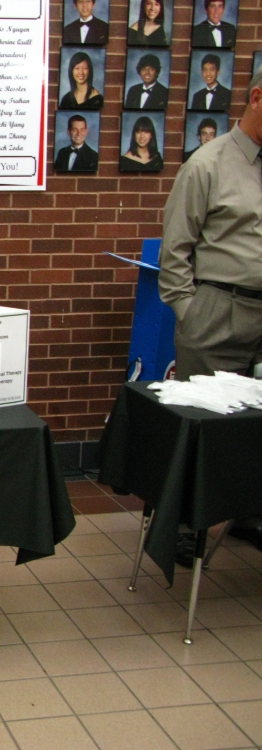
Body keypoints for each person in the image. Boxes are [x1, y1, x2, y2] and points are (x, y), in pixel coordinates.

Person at [159, 70, 262, 553]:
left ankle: (248, 512)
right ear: (257, 97)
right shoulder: (208, 164)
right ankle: (181, 527)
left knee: (253, 429)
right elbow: (175, 249)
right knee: (201, 430)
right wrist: (191, 312)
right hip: (218, 311)